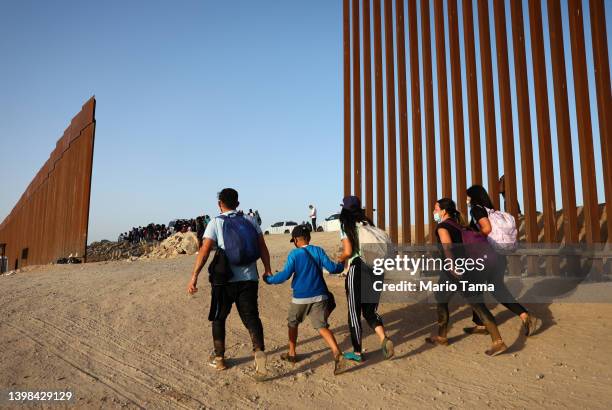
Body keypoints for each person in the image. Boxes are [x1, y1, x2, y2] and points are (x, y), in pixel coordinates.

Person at [187, 188, 272, 378]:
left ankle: (219, 359)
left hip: (223, 281)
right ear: (238, 204)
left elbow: (204, 250)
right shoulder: (250, 220)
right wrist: (267, 269)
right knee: (251, 317)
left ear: (220, 204)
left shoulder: (215, 222)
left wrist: (194, 276)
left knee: (219, 317)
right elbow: (262, 247)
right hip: (249, 278)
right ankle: (258, 351)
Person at [263, 225, 348, 375]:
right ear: (309, 237)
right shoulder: (318, 250)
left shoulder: (294, 254)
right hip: (320, 295)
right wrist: (341, 264)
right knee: (322, 326)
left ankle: (292, 353)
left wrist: (269, 279)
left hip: (301, 297)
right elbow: (333, 269)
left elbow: (285, 275)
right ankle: (337, 352)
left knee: (292, 323)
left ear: (296, 240)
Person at [427, 198, 508, 356]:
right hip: (462, 268)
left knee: (476, 303)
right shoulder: (457, 224)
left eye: (436, 209)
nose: (434, 212)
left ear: (443, 211)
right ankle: (441, 336)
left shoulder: (443, 226)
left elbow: (448, 247)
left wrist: (451, 265)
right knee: (441, 297)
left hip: (456, 270)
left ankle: (498, 342)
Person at [466, 185, 538, 336]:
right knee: (494, 288)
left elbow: (486, 228)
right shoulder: (491, 210)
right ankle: (523, 315)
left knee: (475, 289)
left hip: (486, 256)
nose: (466, 200)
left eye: (468, 196)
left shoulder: (476, 209)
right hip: (498, 256)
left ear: (473, 197)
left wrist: (472, 238)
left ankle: (485, 325)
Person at [337, 195, 394, 362]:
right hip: (377, 269)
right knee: (370, 310)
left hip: (358, 267)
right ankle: (384, 339)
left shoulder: (346, 224)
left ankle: (356, 352)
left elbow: (348, 252)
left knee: (354, 311)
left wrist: (340, 259)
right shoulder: (368, 223)